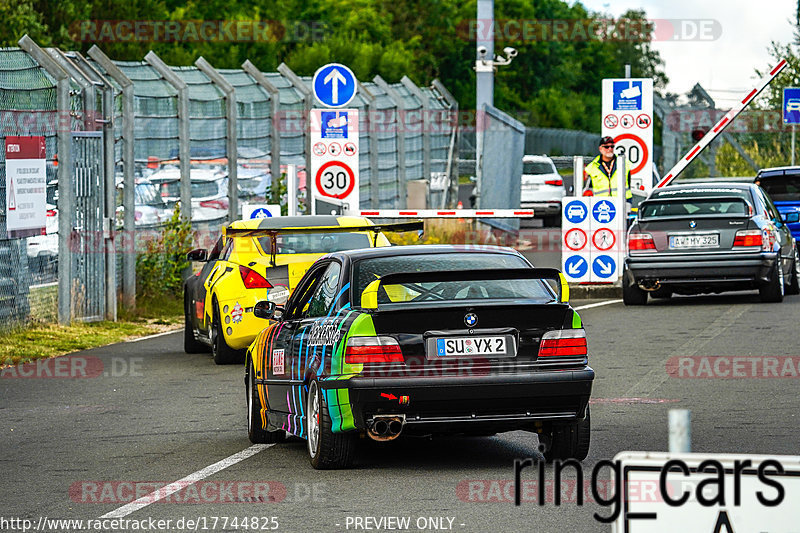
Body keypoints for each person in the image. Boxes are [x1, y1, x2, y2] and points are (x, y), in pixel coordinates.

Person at [584, 136, 632, 200]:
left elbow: (629, 181)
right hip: (601, 202)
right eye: (606, 147)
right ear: (600, 148)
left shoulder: (624, 163)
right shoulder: (592, 166)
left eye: (612, 147)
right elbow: (585, 187)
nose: (610, 149)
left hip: (623, 201)